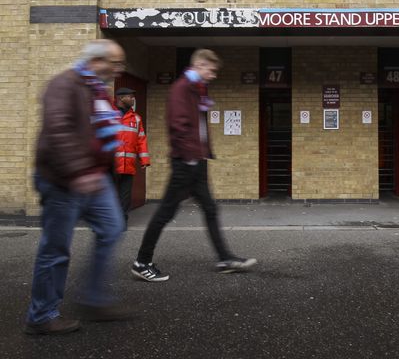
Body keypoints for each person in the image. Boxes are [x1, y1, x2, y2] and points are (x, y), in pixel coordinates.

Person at [25, 39, 133, 335]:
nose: (118, 69)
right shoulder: (64, 84)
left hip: (94, 178)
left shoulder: (95, 89)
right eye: (115, 63)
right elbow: (58, 130)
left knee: (112, 228)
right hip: (64, 180)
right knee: (56, 249)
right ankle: (42, 316)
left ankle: (94, 299)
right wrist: (77, 172)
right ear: (97, 61)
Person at [131, 48, 257, 282]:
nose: (213, 75)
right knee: (165, 212)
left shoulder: (197, 90)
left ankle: (225, 258)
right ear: (199, 66)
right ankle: (142, 261)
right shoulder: (182, 89)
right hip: (186, 162)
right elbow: (178, 126)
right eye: (211, 70)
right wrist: (189, 158)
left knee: (209, 208)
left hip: (196, 161)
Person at [113, 87, 151, 228]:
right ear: (121, 98)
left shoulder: (136, 118)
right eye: (130, 96)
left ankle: (121, 222)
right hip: (110, 164)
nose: (133, 99)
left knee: (125, 196)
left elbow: (141, 140)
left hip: (128, 164)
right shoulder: (108, 115)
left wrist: (144, 160)